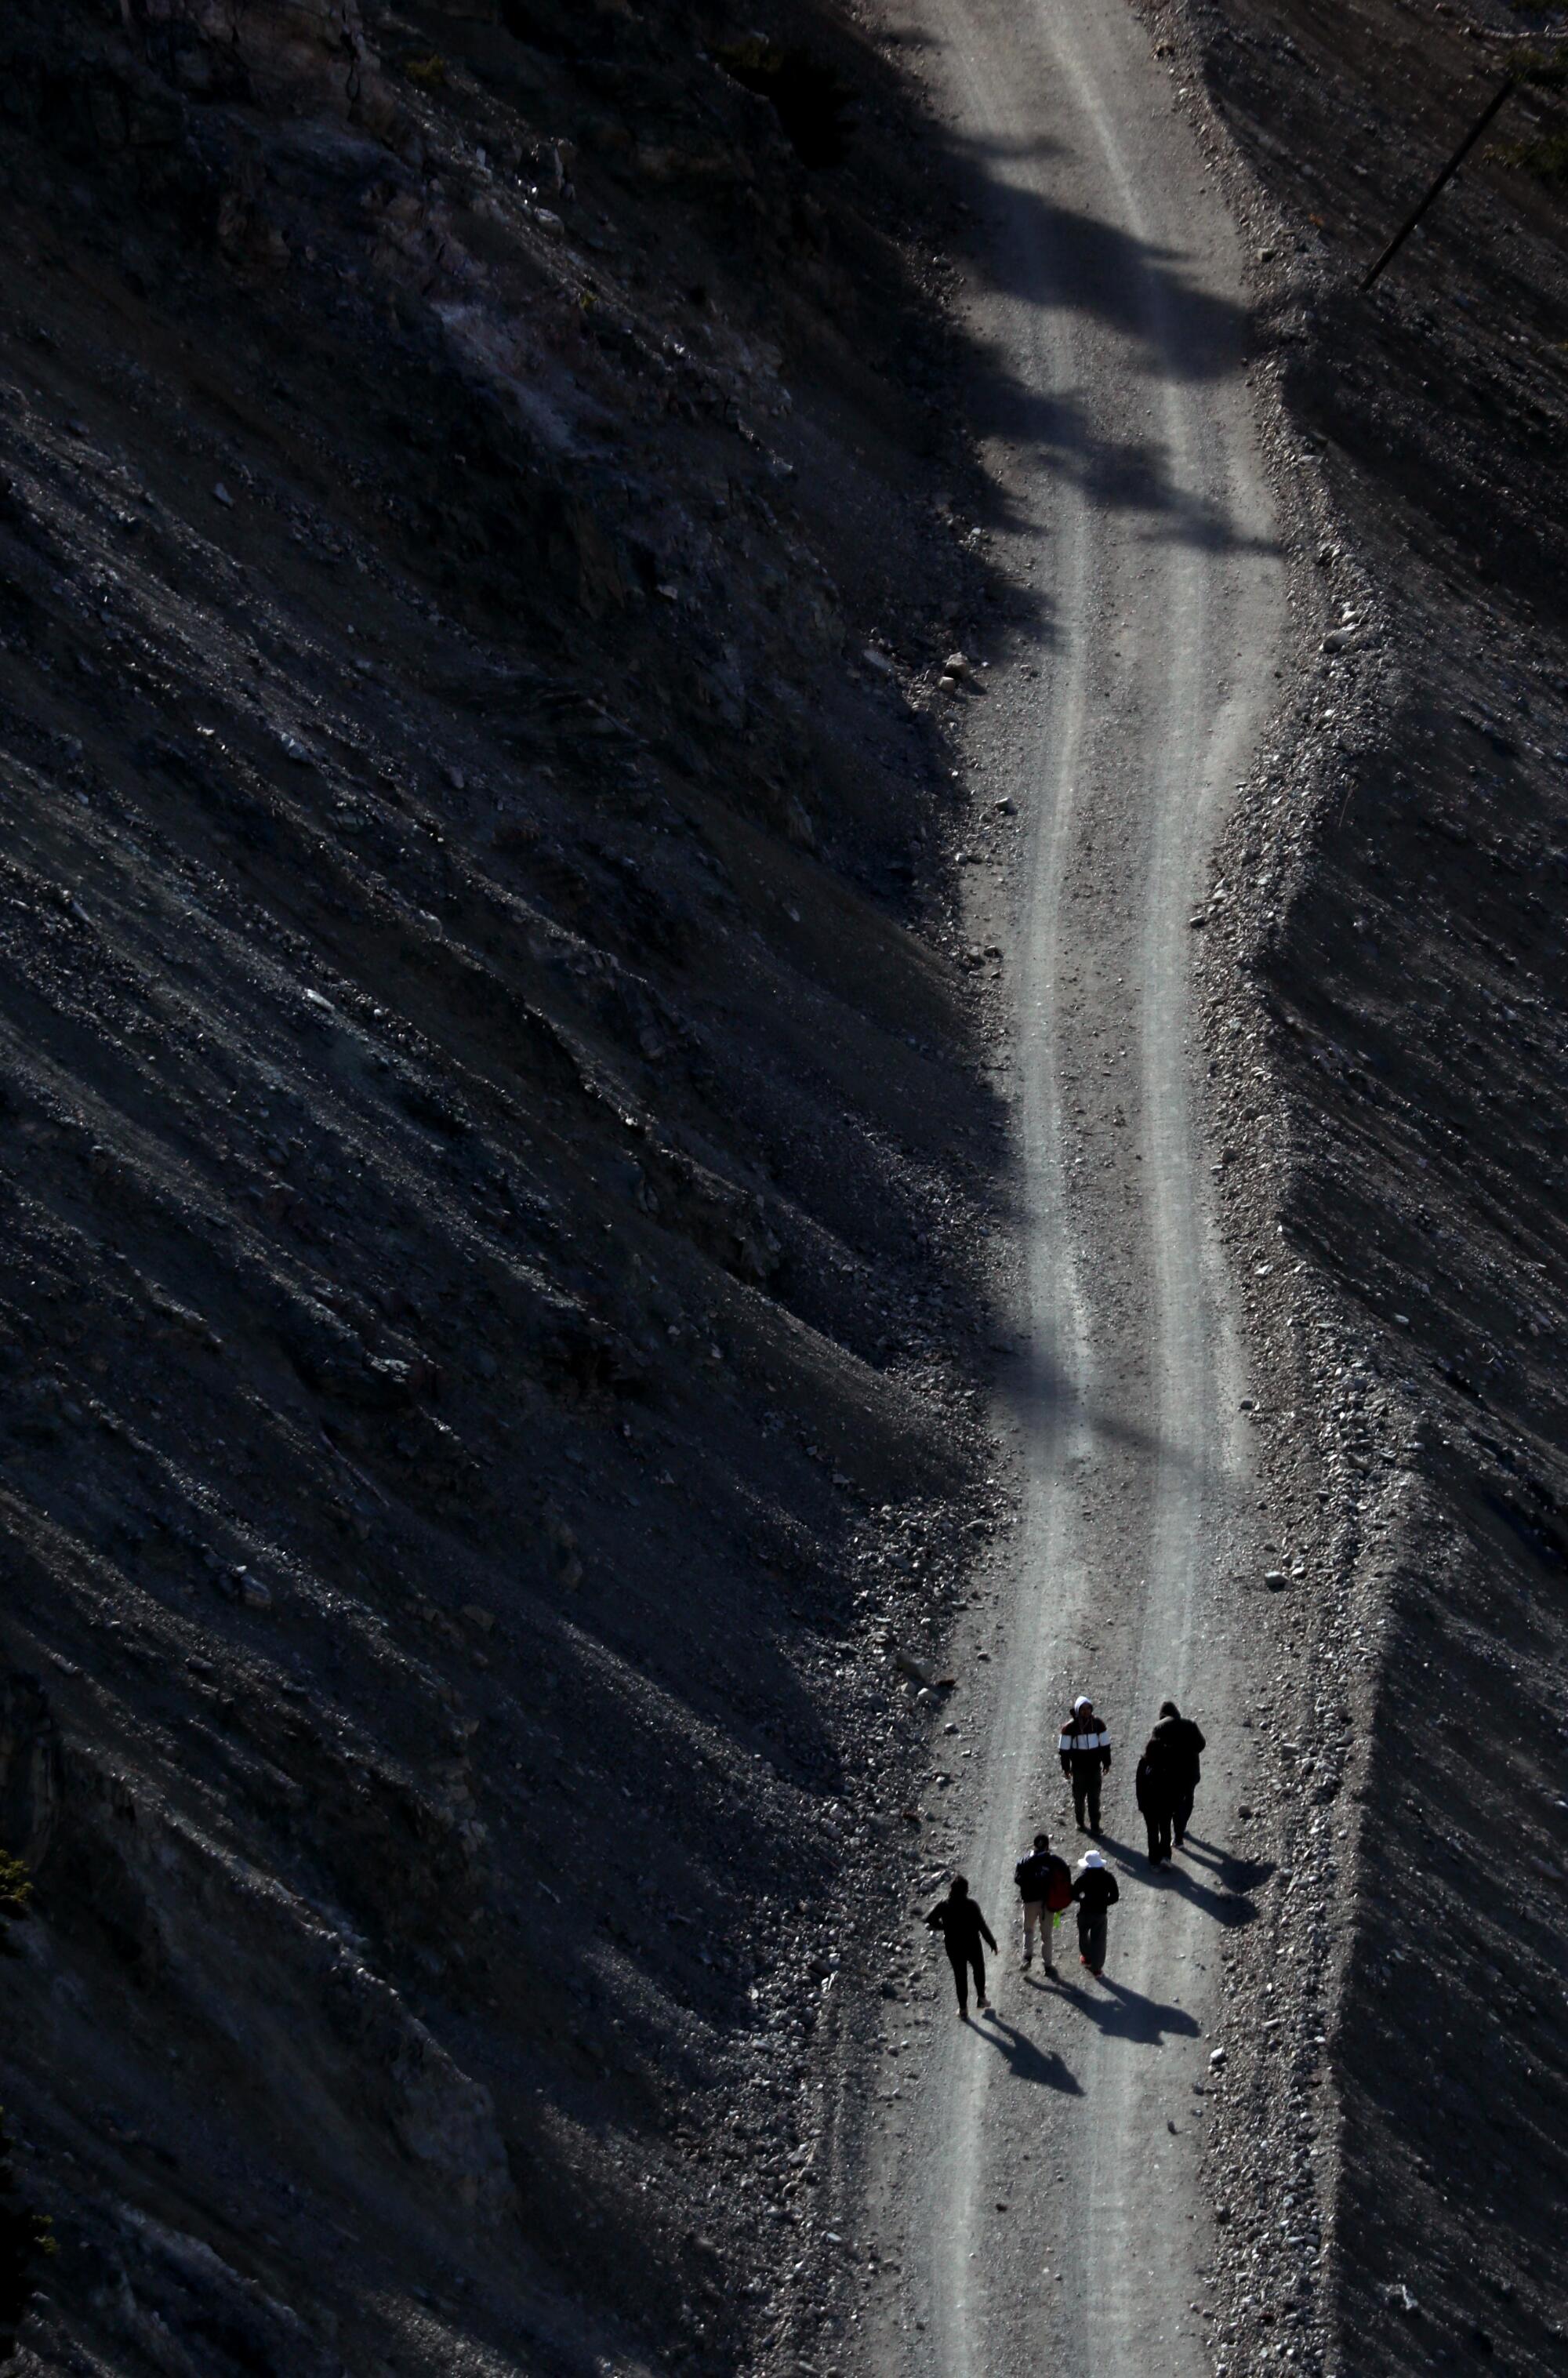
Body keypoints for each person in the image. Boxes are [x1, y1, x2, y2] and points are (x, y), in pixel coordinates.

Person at [924, 1875, 997, 2019]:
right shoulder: (971, 1905)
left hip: (953, 1945)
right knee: (978, 1968)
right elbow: (982, 1926)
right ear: (965, 1890)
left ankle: (963, 2009)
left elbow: (929, 1920)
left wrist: (944, 1927)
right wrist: (992, 1943)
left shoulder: (944, 1905)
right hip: (972, 1943)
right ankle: (981, 1998)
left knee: (960, 1976)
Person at [1014, 1831, 1073, 1970]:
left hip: (1029, 1903)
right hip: (1048, 1903)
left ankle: (1027, 1958)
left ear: (1034, 1845)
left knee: (1028, 1930)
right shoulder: (1053, 1861)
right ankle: (1047, 1965)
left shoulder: (1025, 1861)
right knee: (1047, 1936)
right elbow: (1066, 1877)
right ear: (1047, 1845)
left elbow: (1017, 1879)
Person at [1150, 1700, 1206, 1846]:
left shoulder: (1159, 1727)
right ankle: (1180, 1832)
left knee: (1173, 1805)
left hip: (1169, 1774)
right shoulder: (1190, 1724)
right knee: (1187, 1802)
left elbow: (1153, 1752)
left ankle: (1177, 1836)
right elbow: (1201, 1745)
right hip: (1190, 1772)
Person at [1058, 1694, 1112, 1832]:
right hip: (1078, 1769)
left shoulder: (1098, 1724)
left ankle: (1095, 1825)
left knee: (1094, 1797)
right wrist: (1066, 1768)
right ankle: (1080, 1822)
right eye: (1083, 1709)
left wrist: (1107, 1763)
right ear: (1077, 1710)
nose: (1086, 1712)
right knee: (1079, 1798)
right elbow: (1064, 1750)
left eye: (1088, 1709)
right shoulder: (1069, 1728)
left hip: (1094, 1768)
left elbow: (1105, 1745)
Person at [1071, 1848, 1120, 1977]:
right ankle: (1097, 1969)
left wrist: (1082, 1899)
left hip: (1085, 1912)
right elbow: (1115, 1897)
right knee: (1099, 1941)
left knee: (1083, 1934)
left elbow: (1074, 1894)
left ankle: (1086, 1957)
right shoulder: (1108, 1877)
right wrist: (1104, 1902)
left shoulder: (1083, 1878)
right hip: (1100, 1913)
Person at [1135, 1730, 1176, 1866]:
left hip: (1149, 1806)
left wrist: (1141, 1803)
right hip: (1166, 1806)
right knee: (1165, 1831)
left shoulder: (1144, 1763)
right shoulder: (1168, 1763)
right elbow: (1174, 1785)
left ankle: (1154, 1860)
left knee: (1152, 1832)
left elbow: (1139, 1786)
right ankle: (1166, 1856)